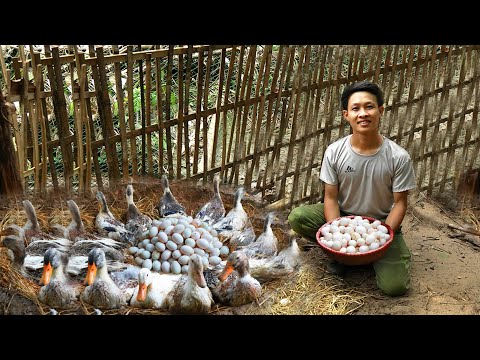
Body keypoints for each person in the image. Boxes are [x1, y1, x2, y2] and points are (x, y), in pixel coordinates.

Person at [288, 80, 416, 297]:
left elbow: (400, 203)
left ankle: (377, 256)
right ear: (346, 115)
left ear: (380, 110)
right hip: (345, 219)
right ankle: (342, 257)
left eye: (369, 107)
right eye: (356, 108)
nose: (363, 113)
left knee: (395, 288)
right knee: (298, 217)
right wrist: (338, 234)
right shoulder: (334, 151)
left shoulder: (398, 157)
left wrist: (381, 237)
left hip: (382, 223)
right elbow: (330, 198)